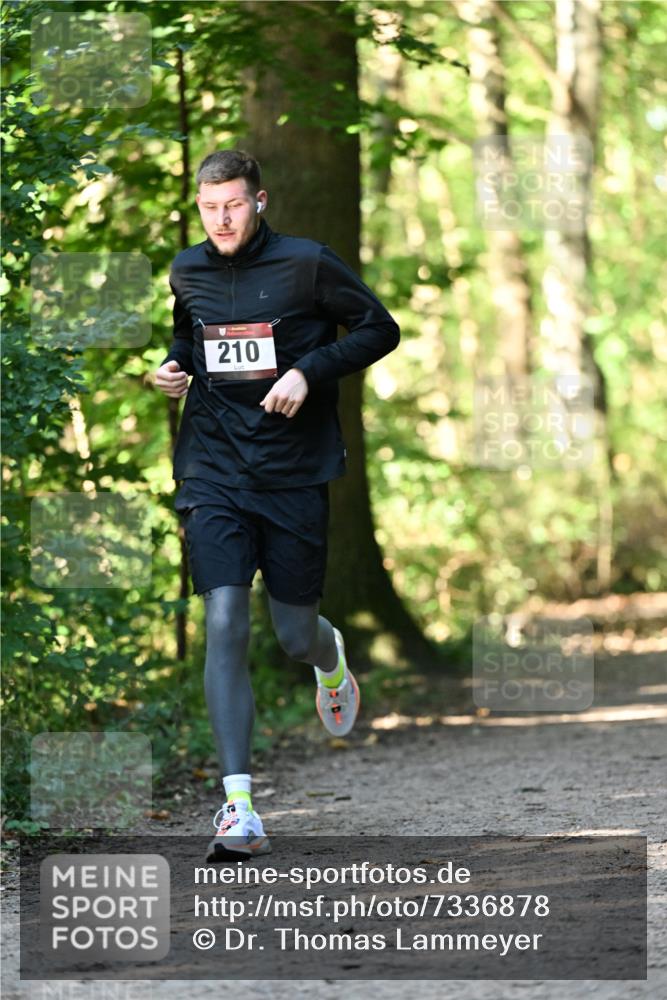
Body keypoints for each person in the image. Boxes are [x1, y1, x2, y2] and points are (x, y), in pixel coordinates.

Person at [154, 149, 400, 861]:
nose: (221, 219)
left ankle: (329, 659)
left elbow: (377, 329)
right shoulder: (187, 270)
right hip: (213, 468)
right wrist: (173, 367)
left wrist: (306, 369)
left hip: (292, 472)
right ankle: (238, 809)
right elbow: (188, 335)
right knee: (225, 616)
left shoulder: (307, 264)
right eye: (208, 207)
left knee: (292, 635)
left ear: (259, 202)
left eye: (233, 204)